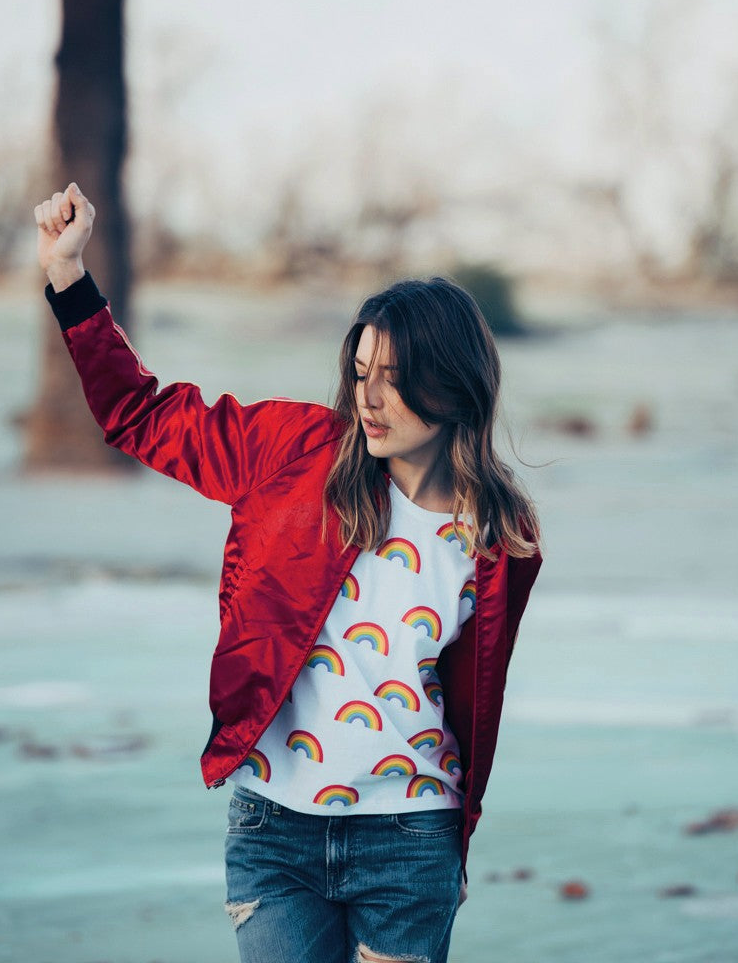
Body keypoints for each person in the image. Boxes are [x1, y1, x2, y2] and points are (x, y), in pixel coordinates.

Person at [35, 181, 544, 963]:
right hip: (274, 828)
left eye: (394, 376)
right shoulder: (293, 454)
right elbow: (140, 415)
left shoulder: (499, 538)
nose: (369, 399)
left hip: (410, 838)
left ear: (452, 384)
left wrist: (455, 843)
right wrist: (69, 280)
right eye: (360, 371)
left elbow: (474, 702)